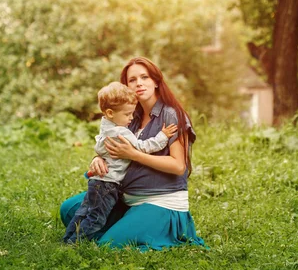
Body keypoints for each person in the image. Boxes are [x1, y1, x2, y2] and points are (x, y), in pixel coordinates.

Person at [60, 56, 206, 251]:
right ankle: (126, 224)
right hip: (124, 197)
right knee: (68, 210)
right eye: (132, 80)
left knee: (107, 246)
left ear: (155, 81)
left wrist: (134, 154)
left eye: (144, 77)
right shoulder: (130, 115)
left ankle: (146, 229)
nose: (139, 83)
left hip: (160, 202)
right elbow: (111, 143)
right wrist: (98, 158)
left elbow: (179, 166)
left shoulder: (171, 114)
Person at [63, 82, 177, 243]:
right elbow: (143, 147)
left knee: (83, 212)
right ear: (110, 112)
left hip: (97, 181)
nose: (131, 118)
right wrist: (163, 136)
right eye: (127, 114)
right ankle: (76, 243)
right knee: (97, 218)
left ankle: (68, 238)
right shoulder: (121, 132)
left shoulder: (105, 127)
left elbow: (99, 148)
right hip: (108, 184)